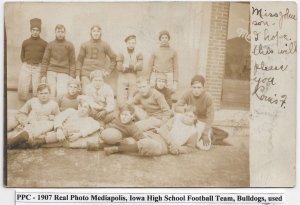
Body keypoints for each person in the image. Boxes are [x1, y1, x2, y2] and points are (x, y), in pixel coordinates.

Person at [104, 106, 202, 156]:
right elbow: (164, 129)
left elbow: (190, 148)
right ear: (183, 114)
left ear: (195, 118)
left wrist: (178, 149)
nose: (187, 118)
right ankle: (102, 146)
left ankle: (115, 149)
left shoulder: (193, 132)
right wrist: (172, 142)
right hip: (158, 136)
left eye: (191, 116)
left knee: (148, 145)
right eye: (186, 114)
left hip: (164, 147)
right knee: (131, 140)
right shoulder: (176, 119)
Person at [7, 83, 60, 148]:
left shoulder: (54, 104)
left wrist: (54, 117)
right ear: (37, 94)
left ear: (49, 94)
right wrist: (25, 122)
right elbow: (20, 113)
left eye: (46, 93)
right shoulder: (33, 101)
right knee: (12, 133)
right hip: (30, 124)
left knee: (49, 125)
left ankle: (19, 141)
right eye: (41, 93)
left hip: (42, 127)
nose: (43, 96)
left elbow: (59, 118)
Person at [174, 74, 214, 150]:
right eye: (194, 87)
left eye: (199, 87)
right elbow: (176, 107)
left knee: (204, 147)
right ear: (191, 87)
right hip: (190, 119)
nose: (196, 90)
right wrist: (185, 109)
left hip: (201, 121)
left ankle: (209, 132)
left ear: (203, 87)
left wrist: (205, 133)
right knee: (177, 116)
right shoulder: (188, 93)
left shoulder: (208, 98)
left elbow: (210, 117)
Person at [77, 25, 117, 93]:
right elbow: (79, 61)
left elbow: (114, 59)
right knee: (86, 93)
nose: (96, 33)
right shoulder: (84, 45)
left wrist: (108, 71)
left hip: (98, 74)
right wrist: (77, 75)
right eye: (94, 31)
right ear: (91, 33)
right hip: (86, 73)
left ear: (100, 33)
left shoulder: (105, 45)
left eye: (98, 31)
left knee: (98, 94)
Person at [41, 24, 76, 97]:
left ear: (65, 33)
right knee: (51, 92)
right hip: (51, 71)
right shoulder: (50, 44)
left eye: (62, 32)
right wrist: (43, 75)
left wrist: (72, 75)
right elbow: (45, 61)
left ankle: (60, 108)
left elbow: (72, 62)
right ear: (55, 32)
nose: (60, 34)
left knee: (62, 93)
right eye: (58, 32)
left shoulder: (69, 45)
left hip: (64, 72)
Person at [18, 18, 47, 101]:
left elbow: (46, 58)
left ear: (40, 31)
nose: (35, 32)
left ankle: (36, 106)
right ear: (30, 30)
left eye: (37, 30)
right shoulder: (25, 42)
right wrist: (26, 63)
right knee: (22, 88)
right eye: (33, 30)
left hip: (38, 67)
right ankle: (22, 106)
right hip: (26, 66)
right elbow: (22, 56)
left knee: (37, 88)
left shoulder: (44, 43)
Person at [116, 34, 143, 106]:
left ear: (135, 43)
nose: (131, 45)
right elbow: (119, 68)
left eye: (133, 43)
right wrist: (134, 66)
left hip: (133, 76)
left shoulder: (138, 53)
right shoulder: (121, 52)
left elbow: (140, 67)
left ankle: (131, 111)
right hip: (122, 76)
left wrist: (127, 66)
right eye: (129, 43)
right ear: (126, 43)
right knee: (121, 95)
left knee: (133, 95)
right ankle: (122, 110)